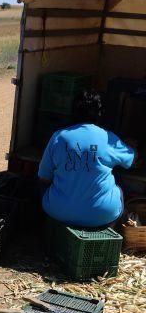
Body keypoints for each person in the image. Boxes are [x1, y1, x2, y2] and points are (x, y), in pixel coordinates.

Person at [38, 91, 135, 228]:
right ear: (100, 113)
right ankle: (107, 230)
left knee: (44, 187)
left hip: (58, 212)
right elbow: (130, 161)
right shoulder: (109, 138)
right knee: (119, 187)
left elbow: (44, 178)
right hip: (101, 216)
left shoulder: (59, 136)